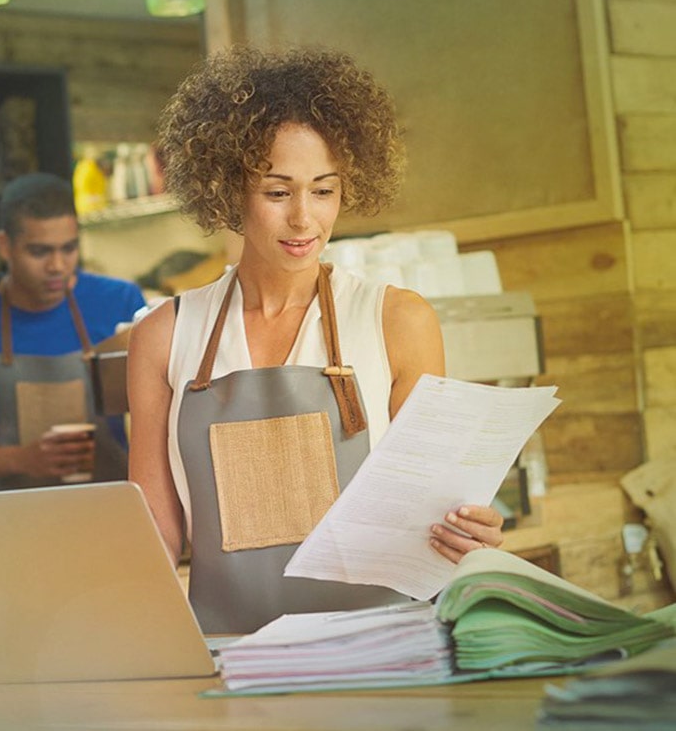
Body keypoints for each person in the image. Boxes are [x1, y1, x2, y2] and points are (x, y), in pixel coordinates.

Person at [127, 46, 504, 634]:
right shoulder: (164, 336)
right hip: (229, 656)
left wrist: (470, 527)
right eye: (278, 193)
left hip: (381, 649)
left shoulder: (397, 322)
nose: (305, 219)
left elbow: (433, 507)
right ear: (227, 190)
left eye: (323, 191)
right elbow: (154, 525)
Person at [0, 172, 146, 491]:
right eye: (40, 252)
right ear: (4, 245)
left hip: (114, 502)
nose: (58, 265)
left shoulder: (121, 301)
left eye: (69, 248)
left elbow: (158, 419)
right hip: (16, 514)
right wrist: (22, 459)